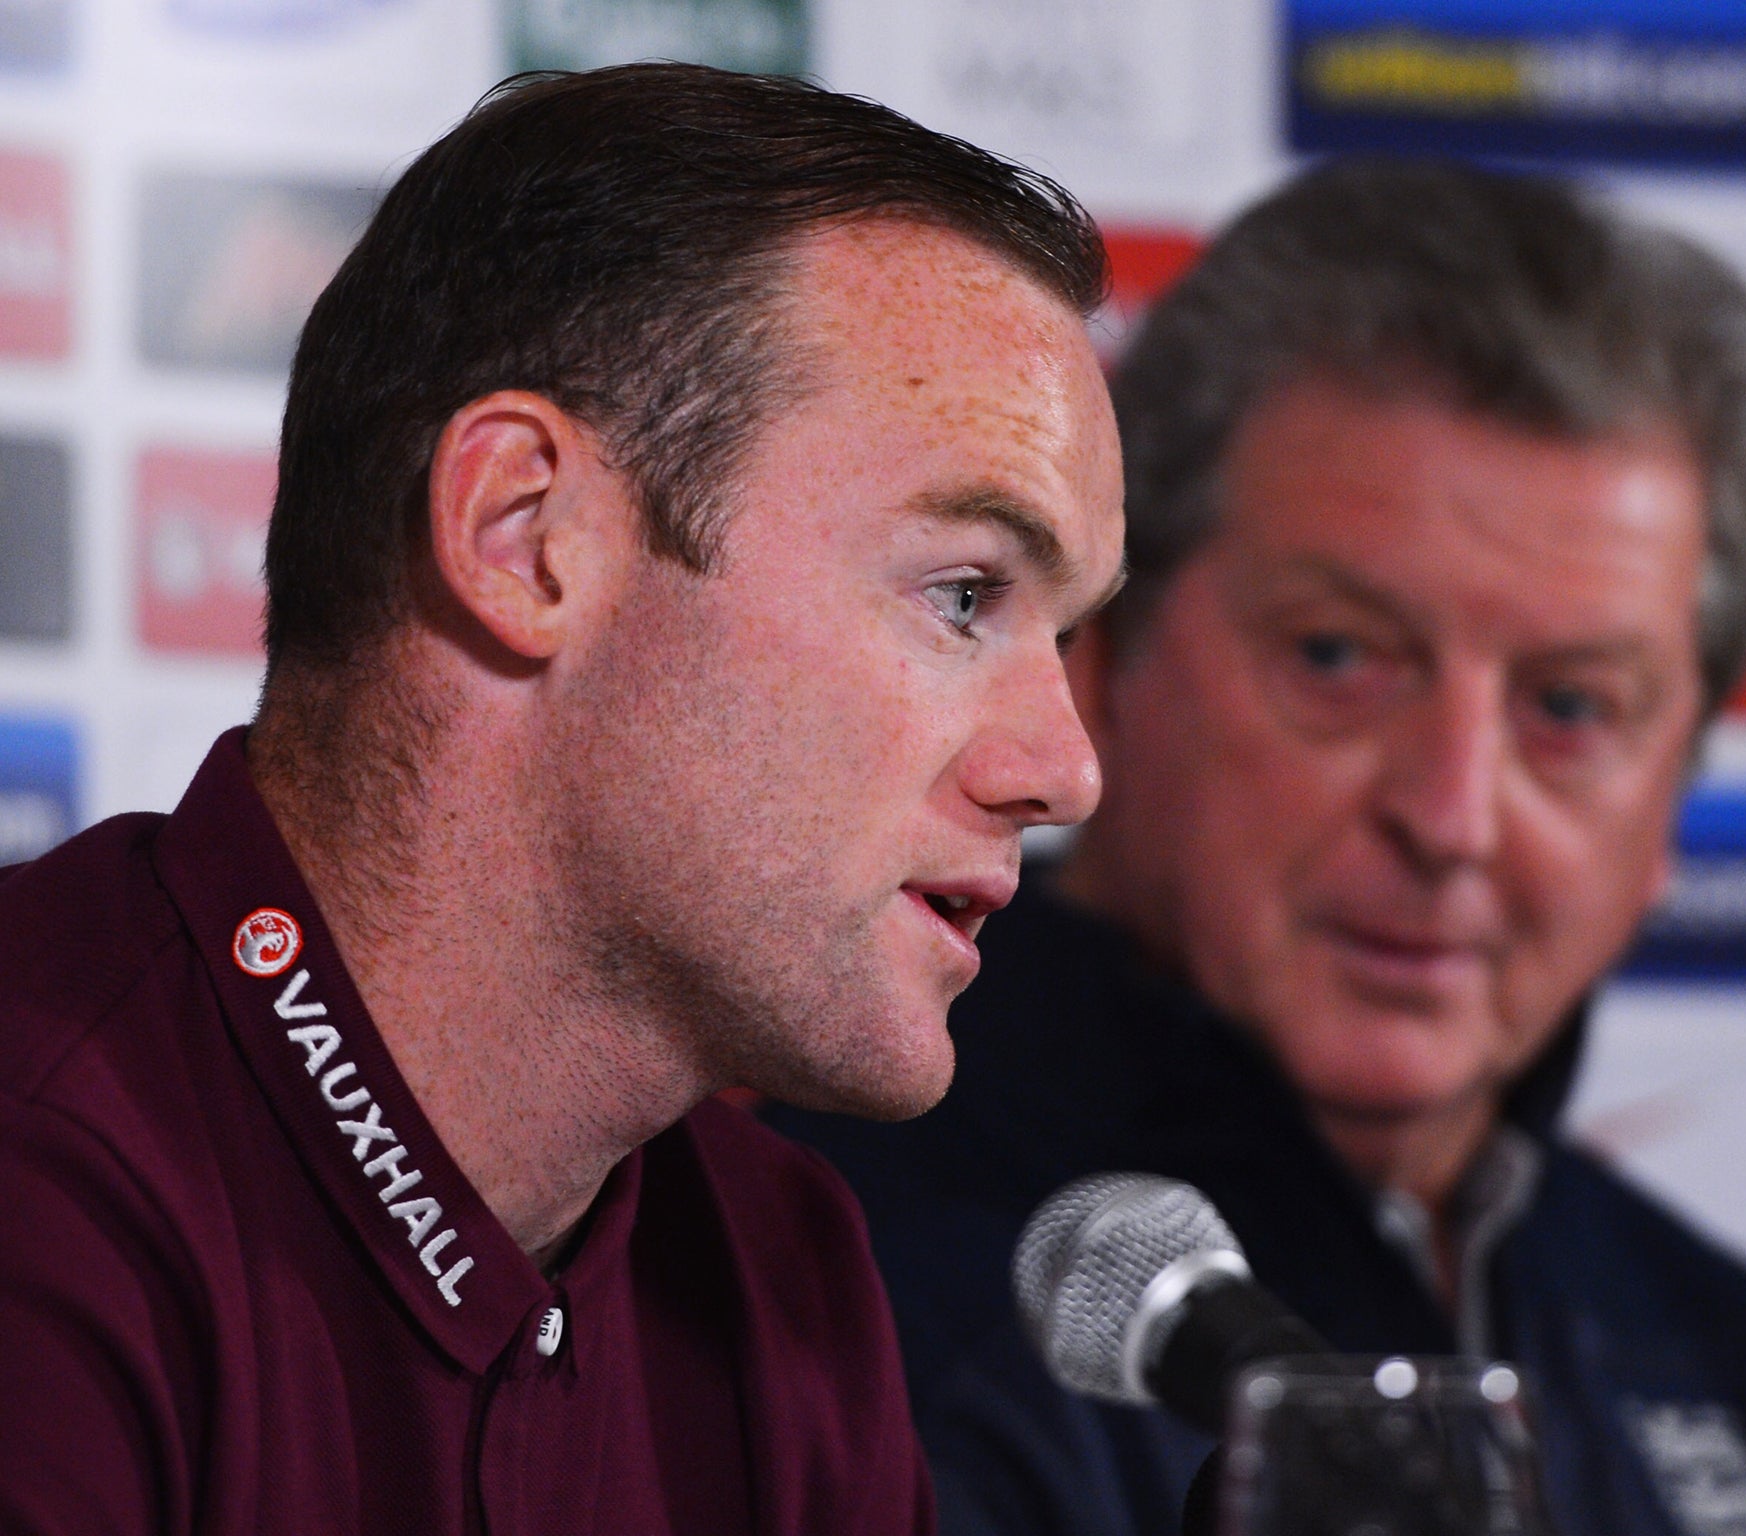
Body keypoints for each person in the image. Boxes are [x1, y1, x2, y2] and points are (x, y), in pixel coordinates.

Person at [0, 63, 1125, 1534]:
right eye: (963, 593)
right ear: (525, 540)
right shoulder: (41, 1175)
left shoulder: (782, 1269)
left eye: (1072, 632)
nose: (1065, 769)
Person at [773, 160, 1746, 1536]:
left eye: (1570, 708)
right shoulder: (809, 1273)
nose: (1451, 815)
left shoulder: (1734, 1350)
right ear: (1107, 668)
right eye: (1340, 657)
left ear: (1674, 799)